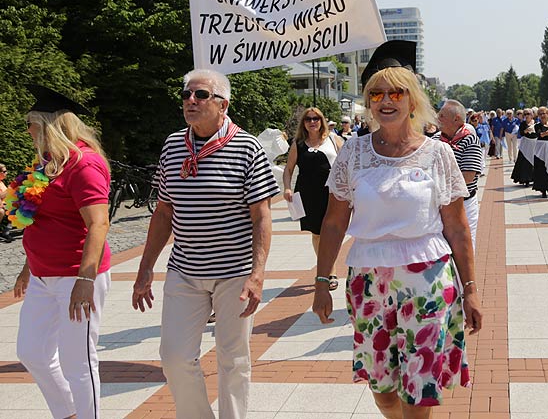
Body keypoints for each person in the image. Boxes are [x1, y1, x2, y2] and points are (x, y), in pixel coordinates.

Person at [312, 41, 482, 419]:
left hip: (428, 278)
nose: (385, 100)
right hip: (369, 280)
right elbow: (334, 221)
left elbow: (457, 228)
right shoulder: (352, 153)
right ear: (368, 101)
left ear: (412, 99)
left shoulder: (439, 154)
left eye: (395, 92)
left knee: (418, 387)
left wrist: (471, 290)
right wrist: (322, 280)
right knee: (382, 388)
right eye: (376, 93)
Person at [132, 69, 279, 419]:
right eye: (186, 95)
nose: (190, 101)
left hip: (235, 272)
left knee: (233, 358)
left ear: (223, 105)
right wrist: (144, 268)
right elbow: (164, 211)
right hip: (186, 269)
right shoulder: (172, 145)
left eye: (200, 95)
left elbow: (262, 216)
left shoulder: (248, 147)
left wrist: (257, 274)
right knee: (174, 356)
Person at [8, 85, 111, 419]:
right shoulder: (47, 164)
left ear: (51, 125)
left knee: (77, 360)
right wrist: (27, 267)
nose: (28, 131)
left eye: (32, 124)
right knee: (32, 352)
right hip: (42, 274)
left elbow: (99, 224)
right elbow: (41, 219)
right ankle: (69, 412)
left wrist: (85, 279)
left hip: (76, 275)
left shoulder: (84, 165)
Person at [283, 107, 343, 290]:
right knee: (317, 234)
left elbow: (346, 163)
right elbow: (288, 169)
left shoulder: (333, 139)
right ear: (304, 123)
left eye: (316, 118)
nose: (312, 122)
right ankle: (325, 269)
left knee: (330, 232)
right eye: (308, 119)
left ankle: (329, 271)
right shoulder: (299, 143)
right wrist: (287, 188)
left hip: (330, 193)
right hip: (308, 193)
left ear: (322, 120)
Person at [434, 101, 483, 251]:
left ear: (456, 119)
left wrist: (437, 183)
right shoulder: (434, 140)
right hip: (439, 204)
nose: (437, 118)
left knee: (465, 247)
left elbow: (468, 177)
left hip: (463, 203)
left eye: (442, 116)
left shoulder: (470, 139)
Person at [511, 109, 537, 186]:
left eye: (528, 114)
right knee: (525, 161)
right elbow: (521, 133)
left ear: (532, 115)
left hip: (534, 143)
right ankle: (526, 179)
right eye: (525, 114)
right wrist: (526, 130)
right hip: (526, 143)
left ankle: (534, 178)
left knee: (535, 161)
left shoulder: (536, 123)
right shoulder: (523, 123)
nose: (527, 115)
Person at [0, 164, 12, 242]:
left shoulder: (1, 182)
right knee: (1, 211)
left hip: (4, 204)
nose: (6, 173)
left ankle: (6, 231)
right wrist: (10, 188)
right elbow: (1, 195)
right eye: (4, 171)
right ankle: (5, 232)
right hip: (1, 206)